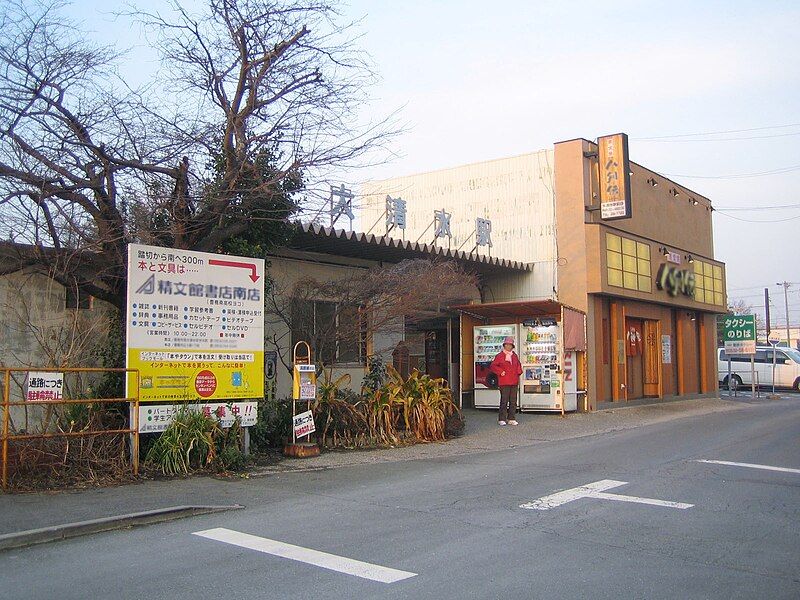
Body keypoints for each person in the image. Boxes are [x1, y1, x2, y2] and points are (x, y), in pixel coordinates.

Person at [489, 336, 522, 426]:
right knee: (504, 401)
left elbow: (518, 365)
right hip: (504, 381)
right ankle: (502, 418)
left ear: (512, 346)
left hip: (514, 381)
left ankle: (511, 418)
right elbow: (493, 366)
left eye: (510, 345)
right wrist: (501, 372)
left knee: (513, 401)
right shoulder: (500, 356)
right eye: (507, 345)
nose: (508, 346)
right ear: (504, 345)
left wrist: (518, 372)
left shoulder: (514, 355)